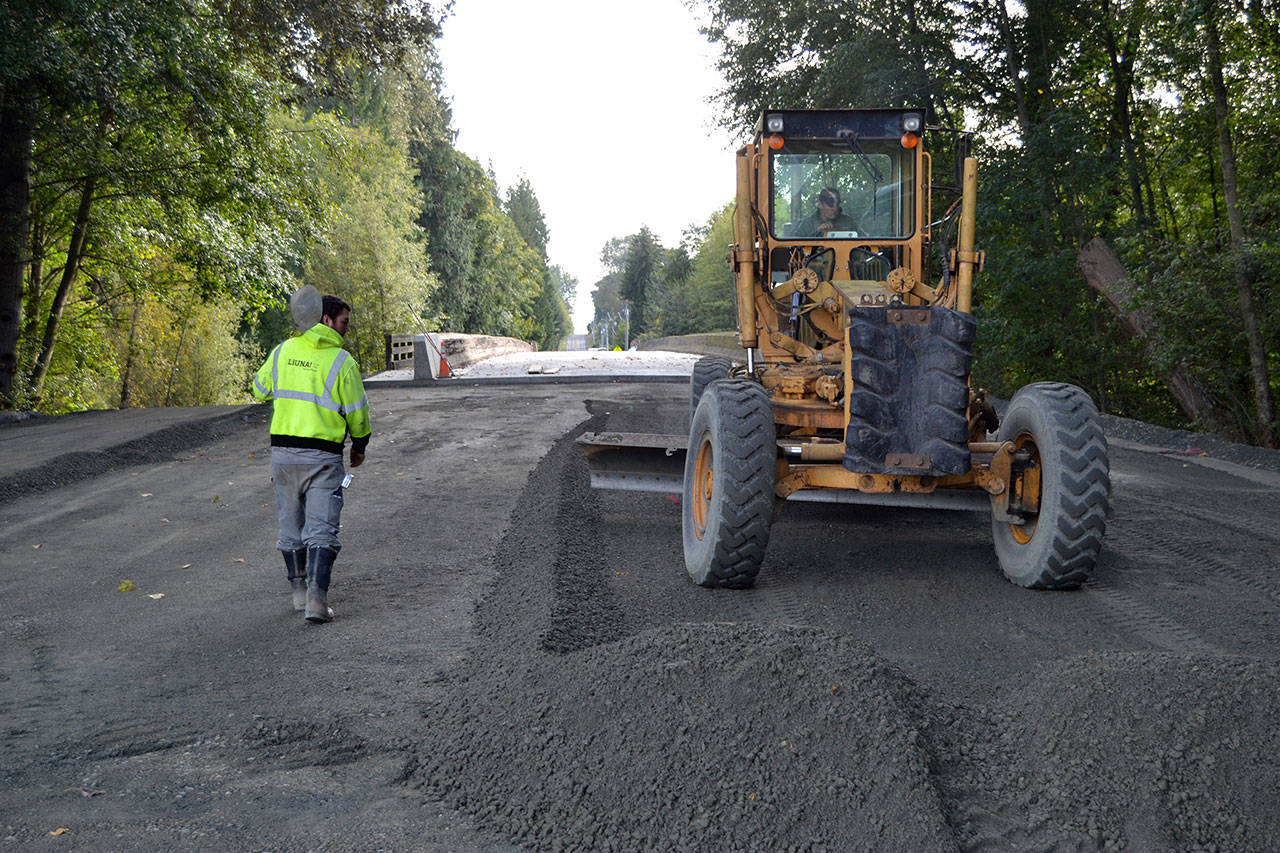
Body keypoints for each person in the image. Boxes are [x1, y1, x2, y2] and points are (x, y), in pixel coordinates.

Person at [252, 293, 371, 624]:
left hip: (283, 456)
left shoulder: (282, 351)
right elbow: (358, 414)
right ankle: (317, 602)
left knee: (290, 525)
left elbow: (259, 389)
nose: (347, 328)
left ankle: (298, 593)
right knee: (322, 527)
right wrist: (359, 445)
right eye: (344, 322)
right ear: (326, 320)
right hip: (323, 459)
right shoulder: (341, 362)